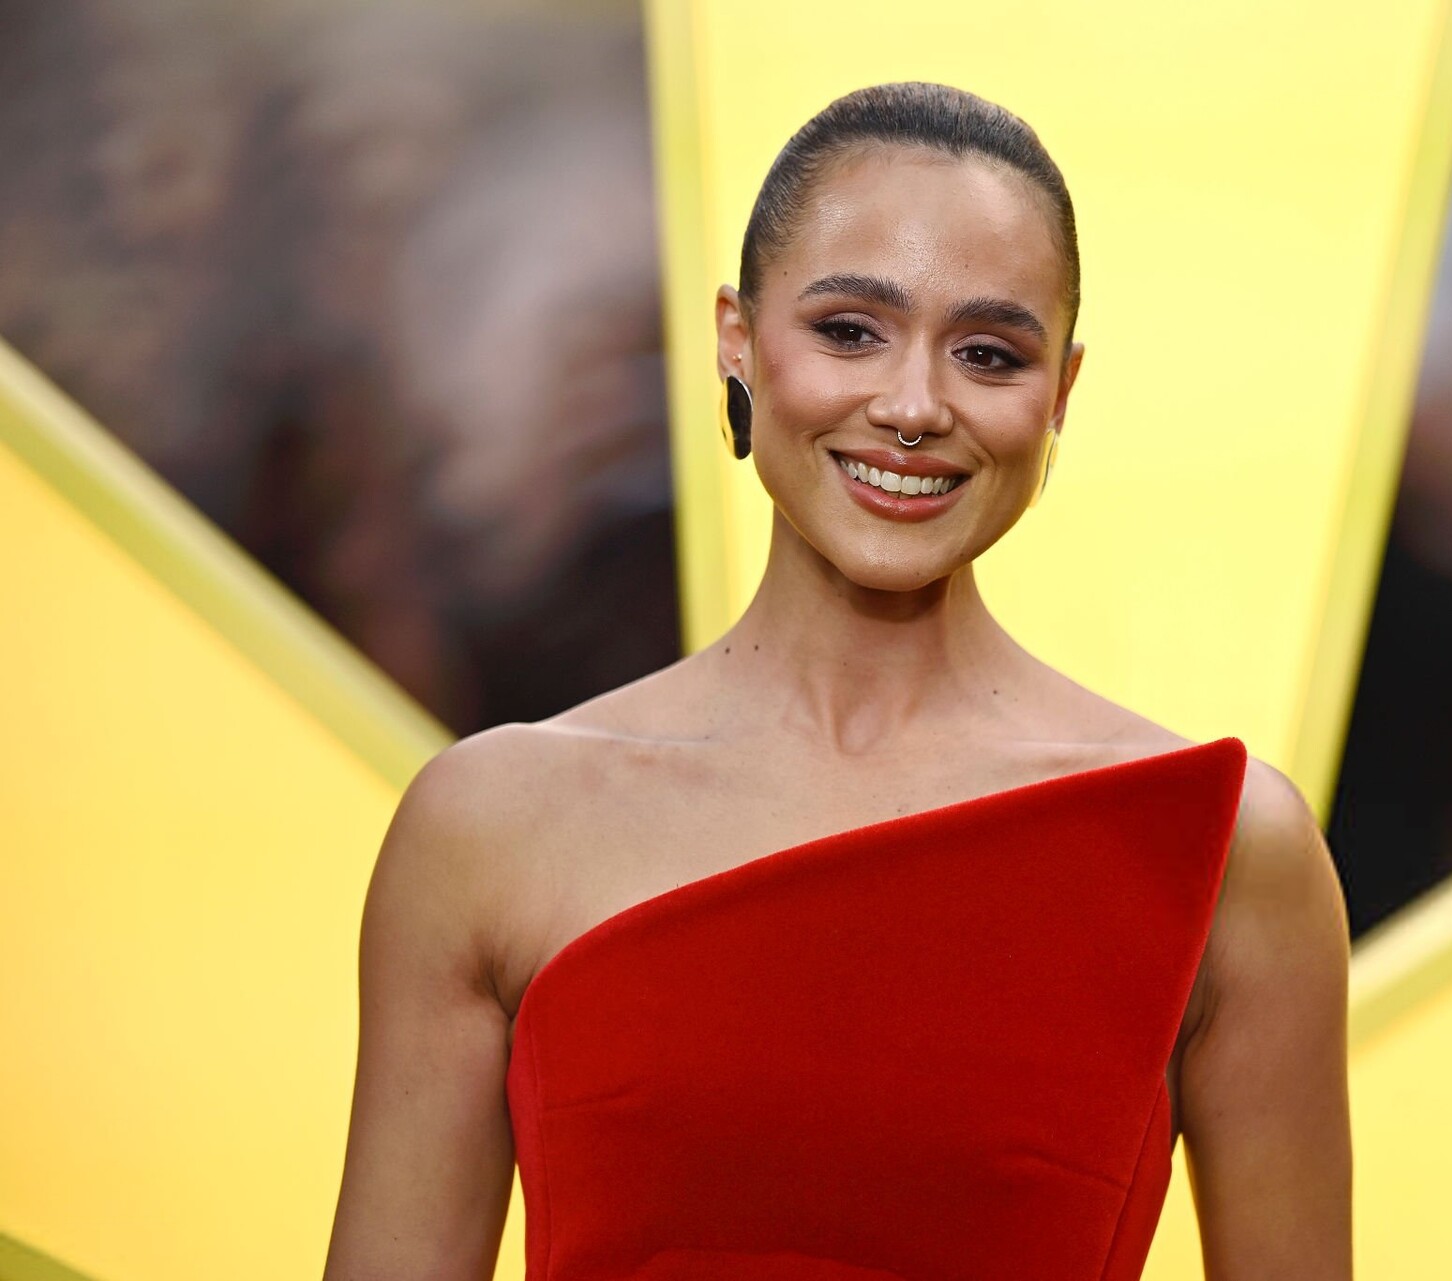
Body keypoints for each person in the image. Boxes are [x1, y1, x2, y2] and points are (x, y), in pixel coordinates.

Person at [324, 82, 1351, 1280]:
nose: (912, 407)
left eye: (988, 354)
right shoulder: (491, 826)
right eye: (851, 331)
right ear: (737, 338)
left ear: (1060, 395)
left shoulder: (1222, 852)